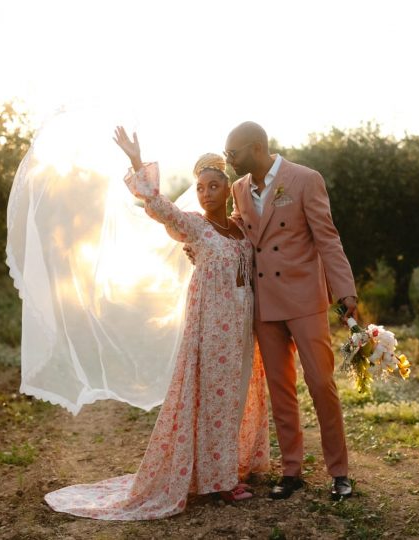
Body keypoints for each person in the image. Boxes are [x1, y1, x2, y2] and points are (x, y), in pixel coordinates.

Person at [43, 127, 269, 520]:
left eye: (213, 186)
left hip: (241, 331)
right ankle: (219, 484)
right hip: (210, 331)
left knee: (233, 400)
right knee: (213, 400)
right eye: (200, 188)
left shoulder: (239, 228)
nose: (205, 194)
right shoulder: (195, 227)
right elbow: (161, 207)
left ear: (226, 188)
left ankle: (224, 469)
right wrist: (136, 161)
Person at [225, 121, 358, 501]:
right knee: (280, 390)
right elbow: (243, 236)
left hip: (304, 301)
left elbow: (327, 238)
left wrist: (344, 290)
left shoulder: (304, 179)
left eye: (233, 152)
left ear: (255, 147)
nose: (230, 159)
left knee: (321, 384)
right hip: (265, 305)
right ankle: (292, 470)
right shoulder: (238, 189)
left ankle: (339, 472)